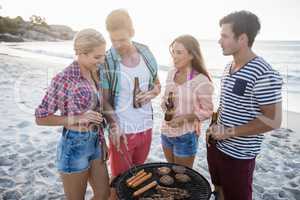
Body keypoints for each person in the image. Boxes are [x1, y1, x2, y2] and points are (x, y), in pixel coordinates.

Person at [206, 11, 283, 200]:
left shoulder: (264, 73)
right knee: (219, 191)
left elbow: (273, 121)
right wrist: (213, 127)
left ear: (242, 38)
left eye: (224, 36)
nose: (219, 41)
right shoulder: (228, 67)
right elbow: (229, 105)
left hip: (239, 156)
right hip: (216, 146)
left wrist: (229, 132)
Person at [35, 29, 109, 200]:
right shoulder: (64, 79)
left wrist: (102, 140)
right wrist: (78, 118)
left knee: (103, 194)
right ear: (80, 54)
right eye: (97, 57)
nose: (102, 60)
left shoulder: (95, 73)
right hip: (74, 147)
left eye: (103, 55)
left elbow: (98, 112)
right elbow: (41, 117)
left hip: (96, 142)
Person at [100, 8, 161, 194]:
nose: (117, 44)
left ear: (132, 33)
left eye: (122, 39)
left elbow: (157, 85)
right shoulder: (108, 60)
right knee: (119, 182)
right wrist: (114, 125)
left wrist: (151, 94)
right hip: (122, 131)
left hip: (146, 127)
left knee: (137, 178)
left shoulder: (146, 52)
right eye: (113, 40)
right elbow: (103, 100)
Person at [160, 35, 214, 168]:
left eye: (179, 52)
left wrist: (184, 118)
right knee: (171, 172)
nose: (174, 56)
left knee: (182, 177)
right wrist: (165, 106)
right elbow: (164, 100)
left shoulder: (201, 80)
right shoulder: (171, 73)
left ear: (191, 55)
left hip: (185, 136)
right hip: (166, 132)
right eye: (173, 52)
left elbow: (208, 111)